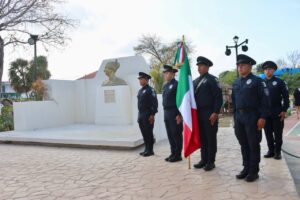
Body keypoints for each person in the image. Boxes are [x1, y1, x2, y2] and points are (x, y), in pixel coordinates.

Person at [232, 54, 270, 182]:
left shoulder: (258, 81)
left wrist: (263, 117)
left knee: (253, 143)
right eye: (239, 65)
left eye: (243, 65)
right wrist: (235, 118)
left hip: (252, 116)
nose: (240, 67)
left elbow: (265, 100)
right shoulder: (236, 82)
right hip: (239, 117)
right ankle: (246, 168)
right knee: (243, 143)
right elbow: (234, 101)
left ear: (250, 66)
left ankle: (254, 171)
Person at [193, 56, 223, 171]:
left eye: (201, 66)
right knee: (202, 138)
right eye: (198, 66)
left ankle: (211, 161)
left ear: (207, 67)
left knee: (210, 138)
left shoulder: (212, 79)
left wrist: (215, 112)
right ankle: (203, 159)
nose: (199, 68)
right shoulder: (195, 81)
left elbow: (218, 98)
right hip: (198, 114)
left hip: (209, 113)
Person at [262, 61, 289, 160]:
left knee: (277, 134)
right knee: (268, 133)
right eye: (265, 69)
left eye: (269, 69)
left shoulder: (280, 82)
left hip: (277, 111)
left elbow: (286, 97)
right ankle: (271, 150)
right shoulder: (261, 83)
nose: (267, 71)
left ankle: (277, 152)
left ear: (273, 70)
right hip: (265, 113)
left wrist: (284, 110)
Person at [162, 65, 183, 162]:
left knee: (176, 133)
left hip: (174, 112)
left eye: (167, 73)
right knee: (170, 134)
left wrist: (179, 114)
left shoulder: (177, 85)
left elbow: (181, 100)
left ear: (173, 74)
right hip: (166, 112)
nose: (165, 75)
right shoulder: (166, 86)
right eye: (165, 73)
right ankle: (173, 153)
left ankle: (178, 155)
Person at [137, 72, 158, 157]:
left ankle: (150, 150)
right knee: (144, 133)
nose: (140, 81)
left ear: (146, 80)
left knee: (149, 132)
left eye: (141, 79)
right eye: (140, 79)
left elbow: (154, 103)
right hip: (141, 114)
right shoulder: (140, 90)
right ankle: (146, 149)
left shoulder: (150, 90)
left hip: (148, 114)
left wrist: (152, 114)